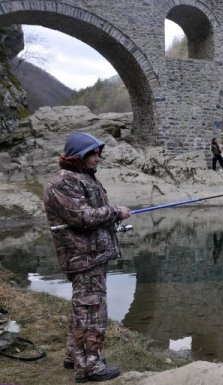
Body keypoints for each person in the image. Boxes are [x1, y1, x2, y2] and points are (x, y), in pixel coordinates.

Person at [43, 132, 130, 383]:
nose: (97, 158)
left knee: (83, 307)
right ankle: (89, 366)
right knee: (91, 311)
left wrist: (111, 215)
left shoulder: (82, 177)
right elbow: (81, 217)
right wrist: (116, 212)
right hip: (83, 257)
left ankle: (74, 356)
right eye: (92, 153)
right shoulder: (63, 181)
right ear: (76, 156)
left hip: (93, 256)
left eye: (98, 153)